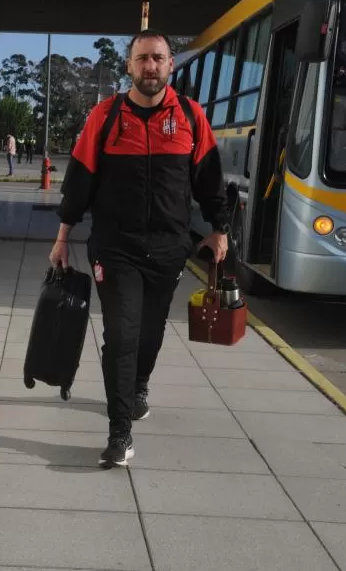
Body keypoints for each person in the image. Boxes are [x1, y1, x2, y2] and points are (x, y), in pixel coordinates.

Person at [51, 29, 229, 467]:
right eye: (142, 58)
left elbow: (209, 180)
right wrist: (62, 234)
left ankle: (138, 386)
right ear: (129, 66)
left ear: (170, 65)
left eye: (158, 58)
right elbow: (79, 181)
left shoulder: (190, 117)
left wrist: (220, 229)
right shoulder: (105, 118)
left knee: (149, 334)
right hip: (115, 249)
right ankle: (119, 433)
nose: (150, 66)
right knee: (122, 335)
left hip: (169, 250)